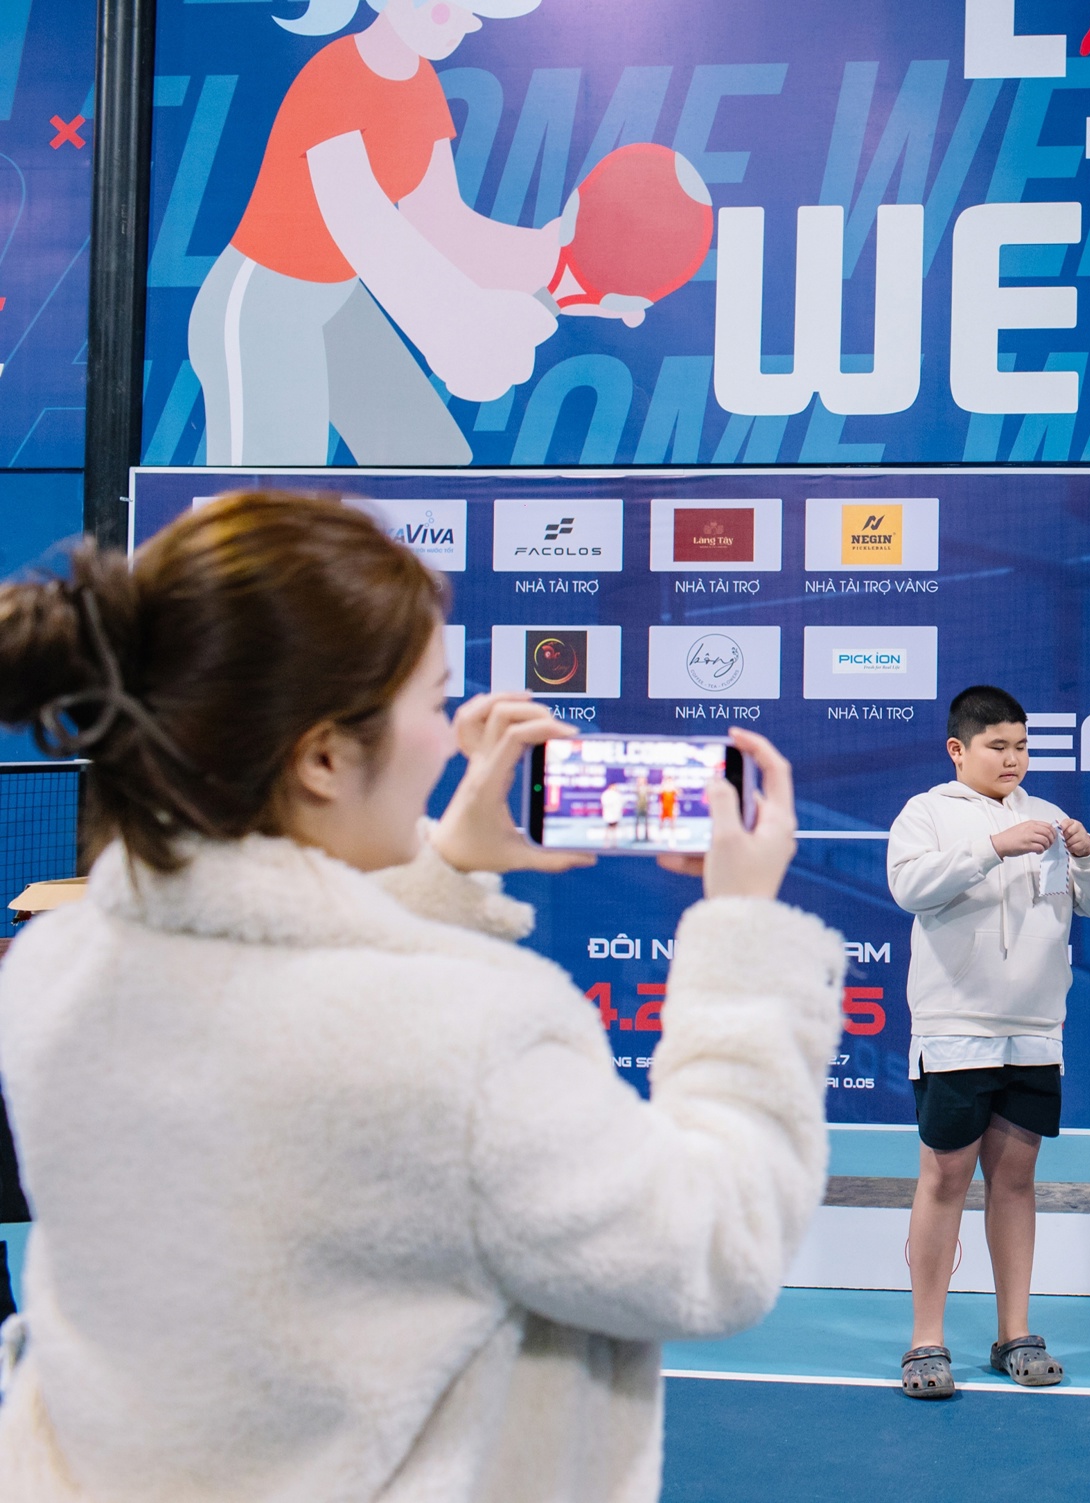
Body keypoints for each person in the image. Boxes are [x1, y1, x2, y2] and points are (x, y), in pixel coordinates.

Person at [0, 491, 843, 1499]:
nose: (450, 743)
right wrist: (740, 935)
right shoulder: (468, 1039)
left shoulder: (56, 967)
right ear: (323, 756)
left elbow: (286, 1023)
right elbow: (718, 1247)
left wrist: (443, 868)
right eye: (435, 702)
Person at [189, 0, 640, 466]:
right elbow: (364, 228)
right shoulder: (335, 77)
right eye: (447, 8)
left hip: (336, 298)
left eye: (469, 14)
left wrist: (564, 262)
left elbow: (444, 225)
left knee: (429, 457)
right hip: (260, 308)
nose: (459, 26)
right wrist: (460, 332)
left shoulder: (420, 82)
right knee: (269, 496)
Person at [885, 686, 1090, 1399]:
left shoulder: (1046, 815)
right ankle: (926, 1340)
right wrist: (991, 847)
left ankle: (1014, 1332)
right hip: (956, 1032)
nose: (1013, 758)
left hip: (1035, 1033)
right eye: (997, 746)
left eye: (1021, 746)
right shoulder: (926, 813)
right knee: (944, 1180)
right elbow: (909, 887)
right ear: (958, 750)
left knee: (1015, 1181)